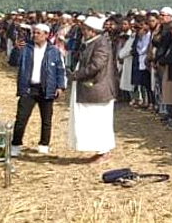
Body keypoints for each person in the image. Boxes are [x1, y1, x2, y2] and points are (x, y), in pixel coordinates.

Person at [8, 23, 67, 157]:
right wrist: (15, 50)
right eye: (33, 33)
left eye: (38, 33)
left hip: (47, 88)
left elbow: (60, 70)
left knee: (46, 119)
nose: (34, 35)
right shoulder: (26, 49)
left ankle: (44, 144)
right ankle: (16, 144)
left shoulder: (54, 51)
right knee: (21, 118)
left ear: (46, 35)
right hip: (29, 88)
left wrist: (60, 86)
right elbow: (12, 63)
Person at [68, 15, 118, 162]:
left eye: (86, 29)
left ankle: (104, 151)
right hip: (90, 89)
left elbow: (96, 65)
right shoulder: (93, 42)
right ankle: (100, 150)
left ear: (93, 30)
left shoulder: (101, 44)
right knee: (92, 121)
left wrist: (76, 75)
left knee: (99, 121)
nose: (84, 32)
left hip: (98, 89)